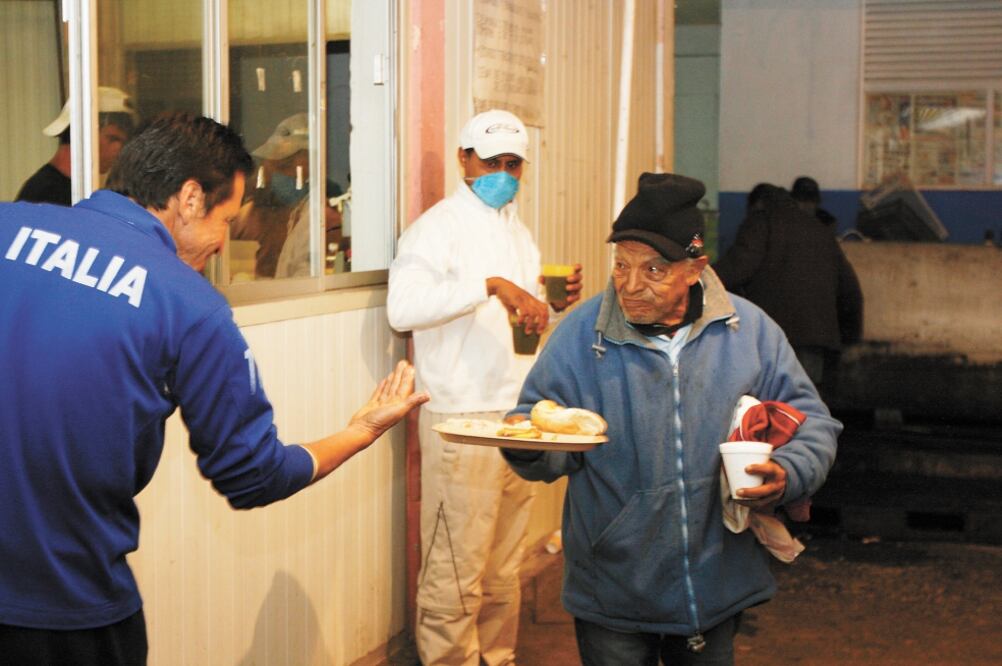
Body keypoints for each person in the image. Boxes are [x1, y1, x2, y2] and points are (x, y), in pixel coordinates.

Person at [0, 112, 429, 665]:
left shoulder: (9, 225)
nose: (224, 243)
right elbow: (253, 475)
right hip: (67, 609)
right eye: (225, 220)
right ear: (190, 198)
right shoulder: (190, 304)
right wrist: (359, 431)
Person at [501, 172, 841, 666]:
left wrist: (790, 472)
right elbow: (534, 420)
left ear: (694, 268)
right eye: (621, 266)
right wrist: (527, 446)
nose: (631, 286)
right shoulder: (582, 336)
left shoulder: (747, 332)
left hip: (714, 580)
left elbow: (813, 422)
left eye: (654, 270)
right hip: (613, 587)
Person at [387, 109, 583, 666]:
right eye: (491, 161)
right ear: (463, 159)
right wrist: (490, 286)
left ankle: (496, 658)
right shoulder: (437, 228)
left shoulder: (515, 229)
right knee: (455, 573)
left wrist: (553, 302)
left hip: (516, 415)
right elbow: (403, 309)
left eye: (513, 163)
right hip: (462, 421)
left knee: (502, 571)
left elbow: (518, 319)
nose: (502, 172)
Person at [713, 183, 863, 398]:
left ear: (758, 204)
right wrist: (850, 337)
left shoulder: (761, 221)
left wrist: (699, 283)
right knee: (804, 406)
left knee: (767, 409)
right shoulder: (819, 229)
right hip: (816, 338)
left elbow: (737, 268)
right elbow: (849, 287)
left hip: (771, 334)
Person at [16, 86, 136, 206]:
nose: (119, 149)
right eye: (113, 139)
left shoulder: (77, 191)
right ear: (83, 134)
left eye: (122, 142)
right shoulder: (45, 195)